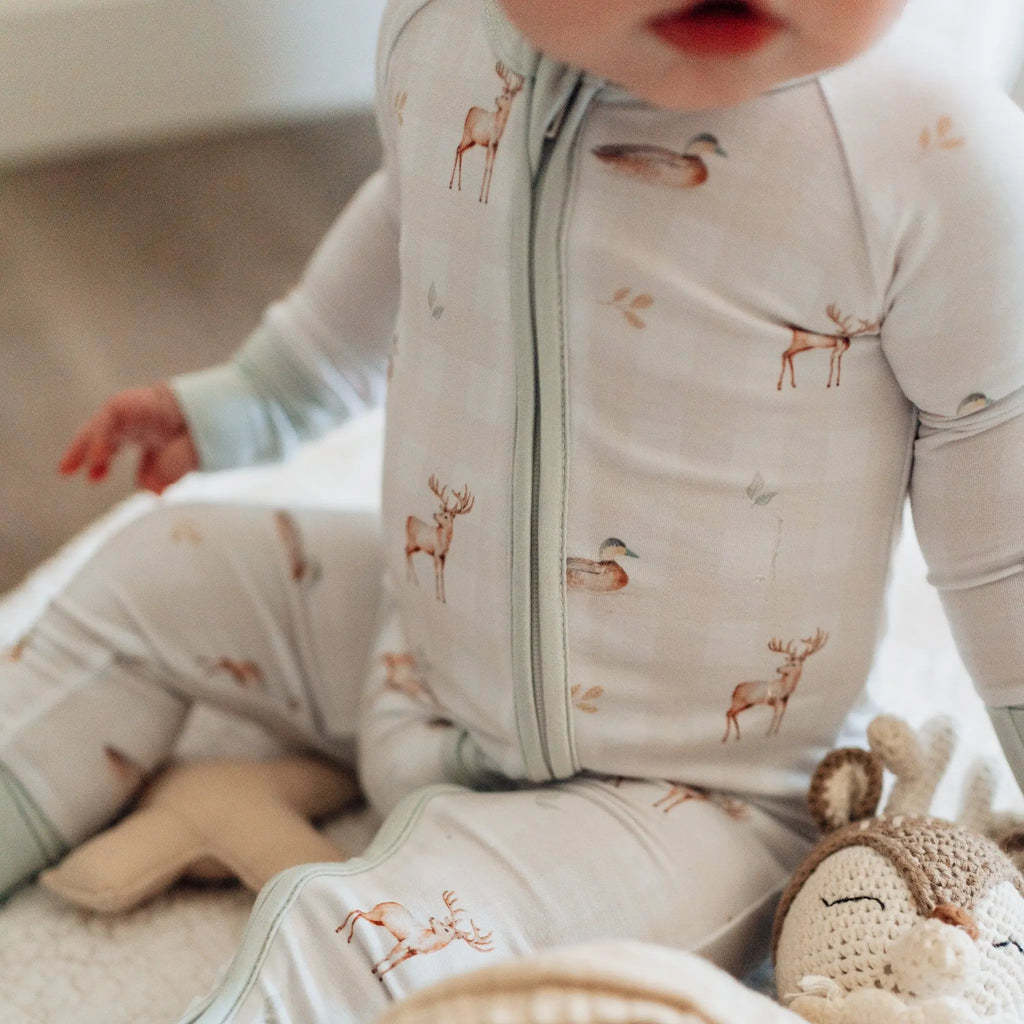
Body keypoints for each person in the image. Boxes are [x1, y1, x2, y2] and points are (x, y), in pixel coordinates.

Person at [6, 0, 1024, 1020]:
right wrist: (268, 391)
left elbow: (1005, 532)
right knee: (163, 569)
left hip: (700, 800)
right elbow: (413, 211)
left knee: (364, 939)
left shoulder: (932, 157)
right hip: (416, 654)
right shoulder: (436, 37)